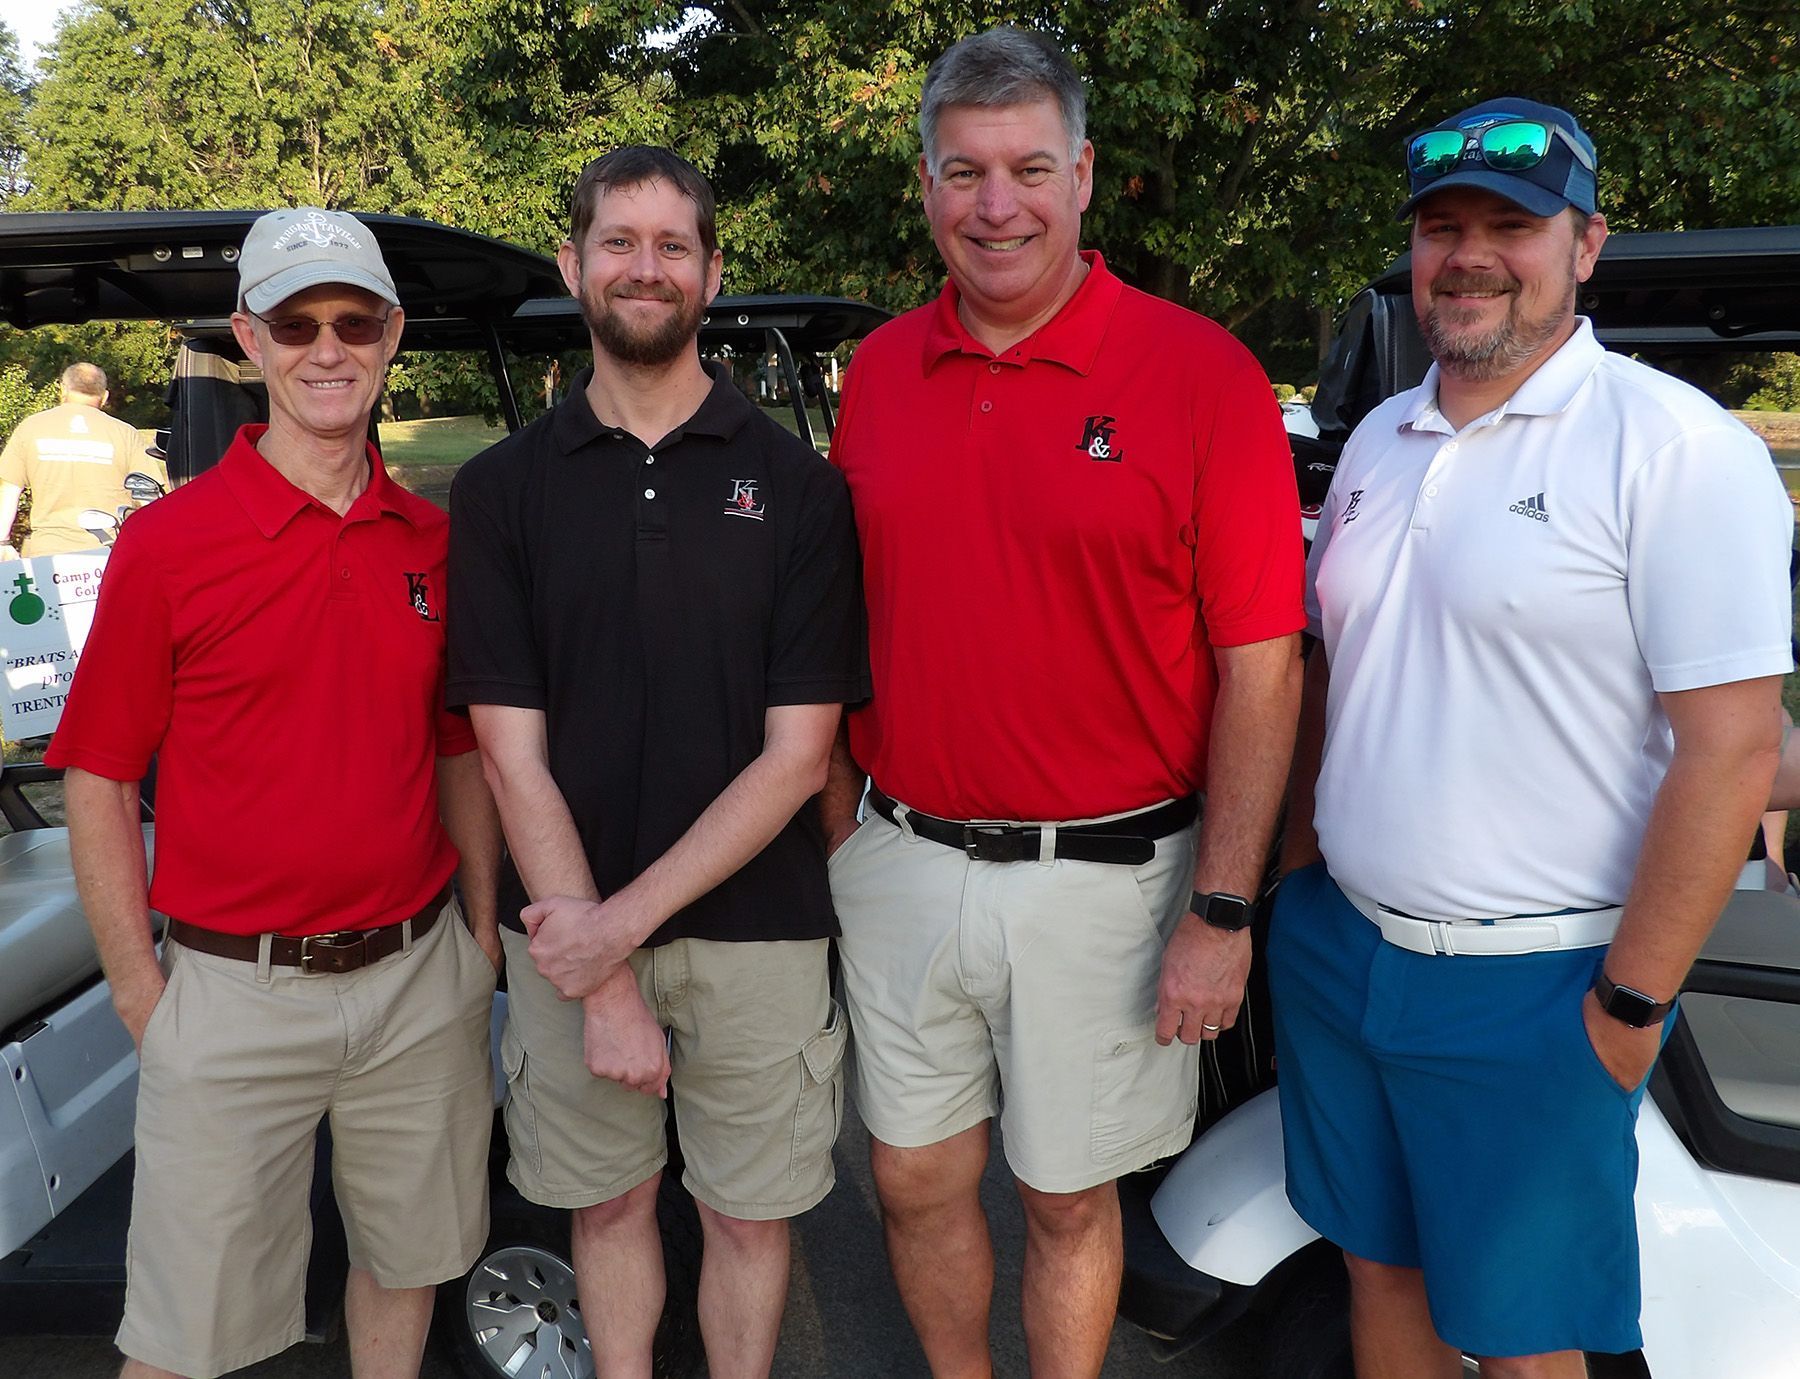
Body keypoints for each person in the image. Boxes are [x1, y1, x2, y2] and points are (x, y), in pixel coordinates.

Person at [1270, 99, 1793, 1377]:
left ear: (1588, 243)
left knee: (1524, 1337)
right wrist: (1292, 884)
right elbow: (1335, 678)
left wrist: (1626, 1005)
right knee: (1378, 1268)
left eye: (1513, 222)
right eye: (1443, 226)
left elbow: (1730, 747)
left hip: (1539, 981)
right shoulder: (1377, 448)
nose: (1471, 252)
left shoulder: (1677, 447)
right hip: (1342, 946)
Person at [820, 27, 1305, 1378]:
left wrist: (1221, 906)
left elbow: (1263, 659)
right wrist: (838, 825)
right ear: (925, 184)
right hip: (904, 858)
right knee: (912, 1177)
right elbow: (839, 624)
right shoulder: (878, 380)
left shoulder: (1199, 374)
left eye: (1030, 167)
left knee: (1066, 1197)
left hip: (1111, 879)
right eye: (965, 171)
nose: (997, 204)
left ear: (1083, 176)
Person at [46, 207, 502, 1379]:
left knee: (404, 1266)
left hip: (415, 981)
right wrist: (144, 993)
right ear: (250, 339)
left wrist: (482, 937)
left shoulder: (430, 541)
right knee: (183, 1333)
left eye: (352, 319)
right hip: (230, 991)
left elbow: (458, 751)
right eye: (296, 323)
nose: (327, 347)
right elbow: (98, 778)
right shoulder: (169, 545)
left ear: (392, 333)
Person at [447, 147, 866, 1379]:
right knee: (609, 1207)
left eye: (672, 244)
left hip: (757, 933)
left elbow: (800, 756)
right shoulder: (500, 489)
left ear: (711, 271)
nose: (646, 266)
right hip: (571, 935)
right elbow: (507, 750)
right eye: (618, 242)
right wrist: (606, 971)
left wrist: (611, 931)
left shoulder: (798, 488)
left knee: (748, 1215)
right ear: (573, 265)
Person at [0, 362, 154, 557]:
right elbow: (147, 495)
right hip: (111, 552)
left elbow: (9, 490)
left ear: (62, 389)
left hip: (47, 553)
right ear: (105, 396)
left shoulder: (31, 427)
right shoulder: (125, 433)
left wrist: (3, 542)